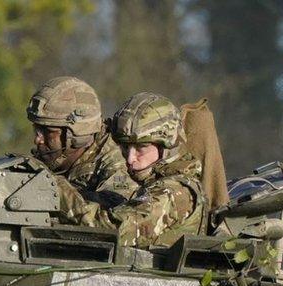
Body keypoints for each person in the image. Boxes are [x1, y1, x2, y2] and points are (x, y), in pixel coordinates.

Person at [105, 92, 206, 247]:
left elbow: (113, 229)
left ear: (166, 147)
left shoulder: (175, 191)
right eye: (125, 147)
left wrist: (63, 195)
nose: (130, 158)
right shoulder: (153, 181)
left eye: (141, 147)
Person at [26, 77, 132, 211]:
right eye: (37, 130)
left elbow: (111, 218)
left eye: (48, 132)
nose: (38, 140)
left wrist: (52, 187)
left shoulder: (117, 163)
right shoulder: (50, 157)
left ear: (76, 133)